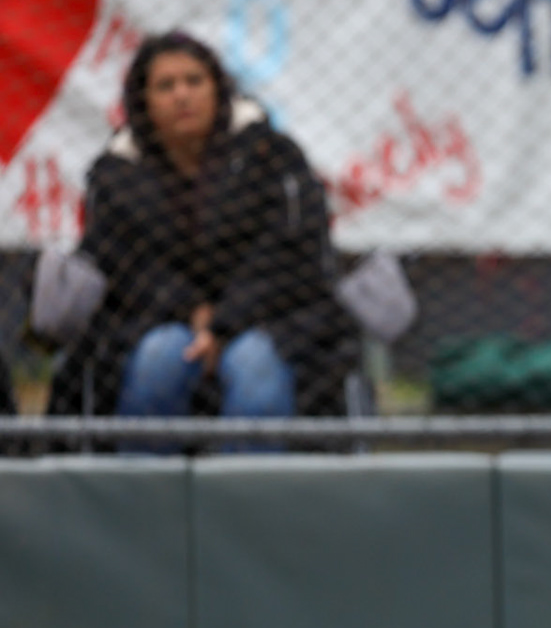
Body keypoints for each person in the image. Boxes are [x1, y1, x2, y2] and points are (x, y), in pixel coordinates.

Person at [45, 31, 358, 433]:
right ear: (143, 101)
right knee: (161, 360)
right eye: (166, 85)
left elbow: (288, 254)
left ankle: (245, 496)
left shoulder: (271, 156)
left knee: (254, 368)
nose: (182, 95)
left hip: (270, 320)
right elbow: (124, 265)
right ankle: (139, 494)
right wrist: (193, 314)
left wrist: (224, 322)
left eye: (194, 81)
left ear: (218, 90)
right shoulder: (115, 175)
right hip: (153, 322)